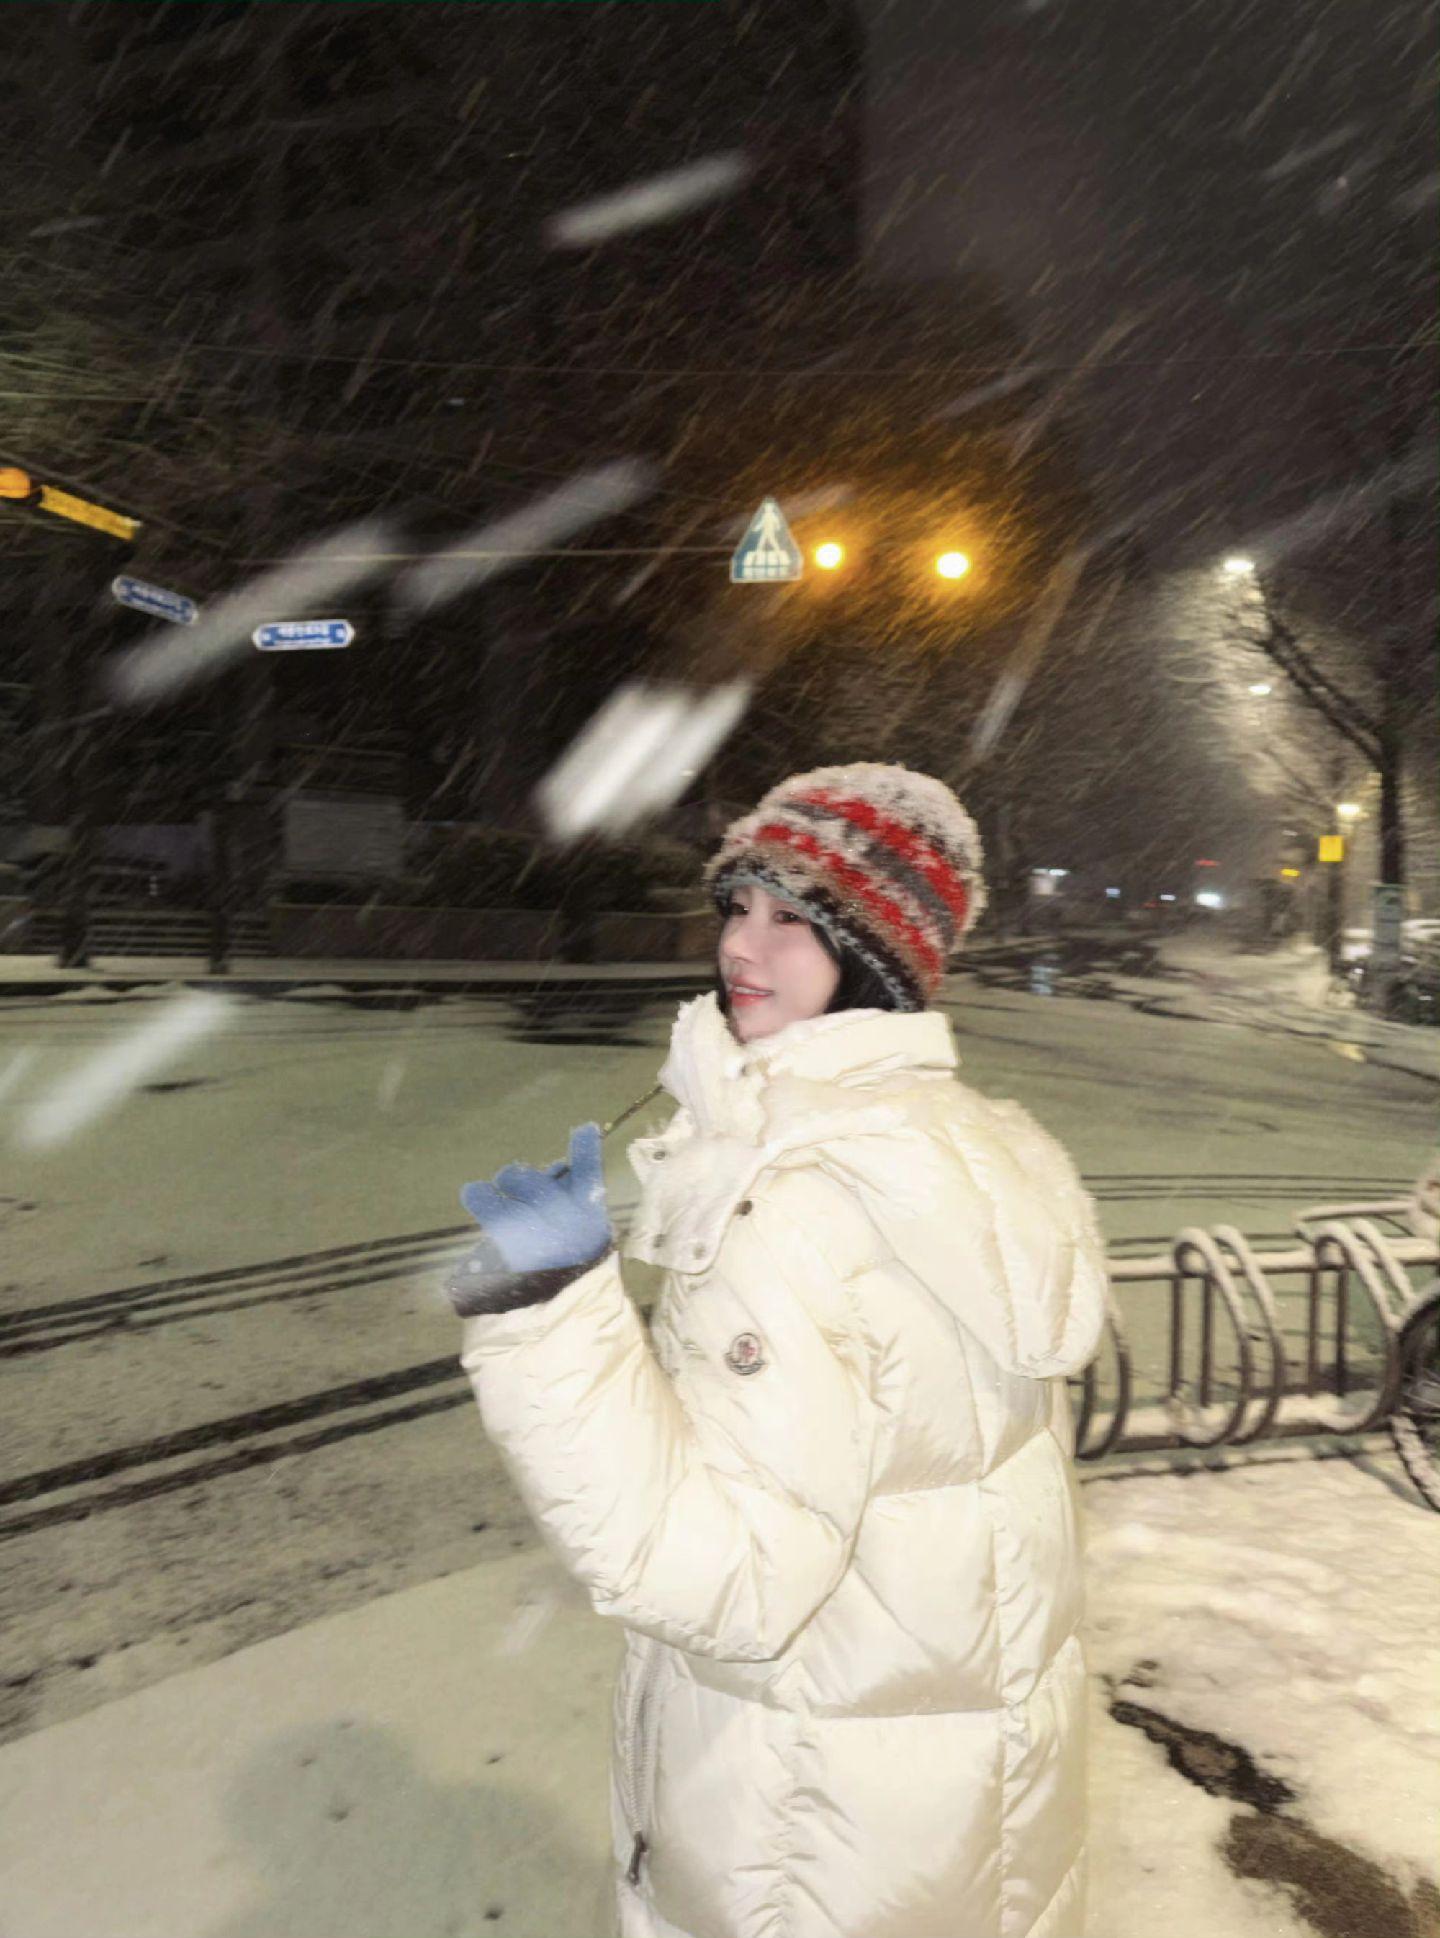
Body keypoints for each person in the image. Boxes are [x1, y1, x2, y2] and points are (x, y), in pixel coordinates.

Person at [451, 762, 1108, 1938]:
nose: (743, 949)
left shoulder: (798, 1204)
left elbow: (725, 1578)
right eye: (737, 908)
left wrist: (548, 1314)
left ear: (878, 959)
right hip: (955, 1831)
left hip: (806, 1842)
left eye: (796, 921)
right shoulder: (960, 1157)